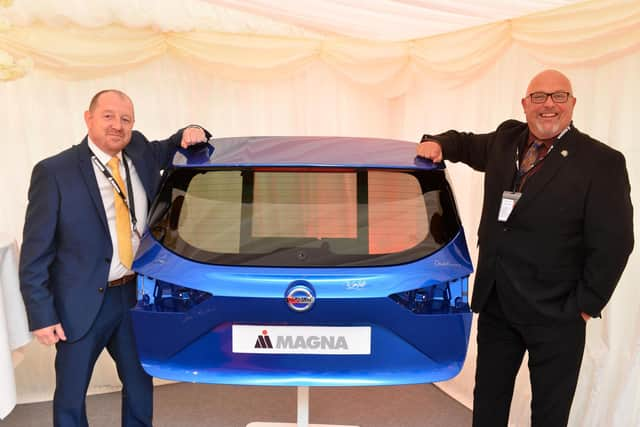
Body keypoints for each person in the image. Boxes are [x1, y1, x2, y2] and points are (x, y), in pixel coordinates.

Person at [416, 70, 633, 427]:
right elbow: (465, 144)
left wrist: (584, 306)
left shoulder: (601, 162)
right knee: (488, 403)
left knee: (549, 413)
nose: (549, 104)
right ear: (525, 104)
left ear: (573, 104)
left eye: (559, 96)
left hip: (556, 312)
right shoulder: (506, 139)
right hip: (498, 302)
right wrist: (438, 142)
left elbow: (616, 241)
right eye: (539, 97)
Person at [19, 89, 210, 427]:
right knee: (71, 395)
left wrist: (194, 130)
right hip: (79, 302)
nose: (117, 126)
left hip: (134, 296)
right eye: (108, 116)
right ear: (88, 118)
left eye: (125, 119)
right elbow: (36, 253)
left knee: (139, 385)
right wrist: (41, 315)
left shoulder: (138, 150)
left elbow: (176, 144)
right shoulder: (54, 172)